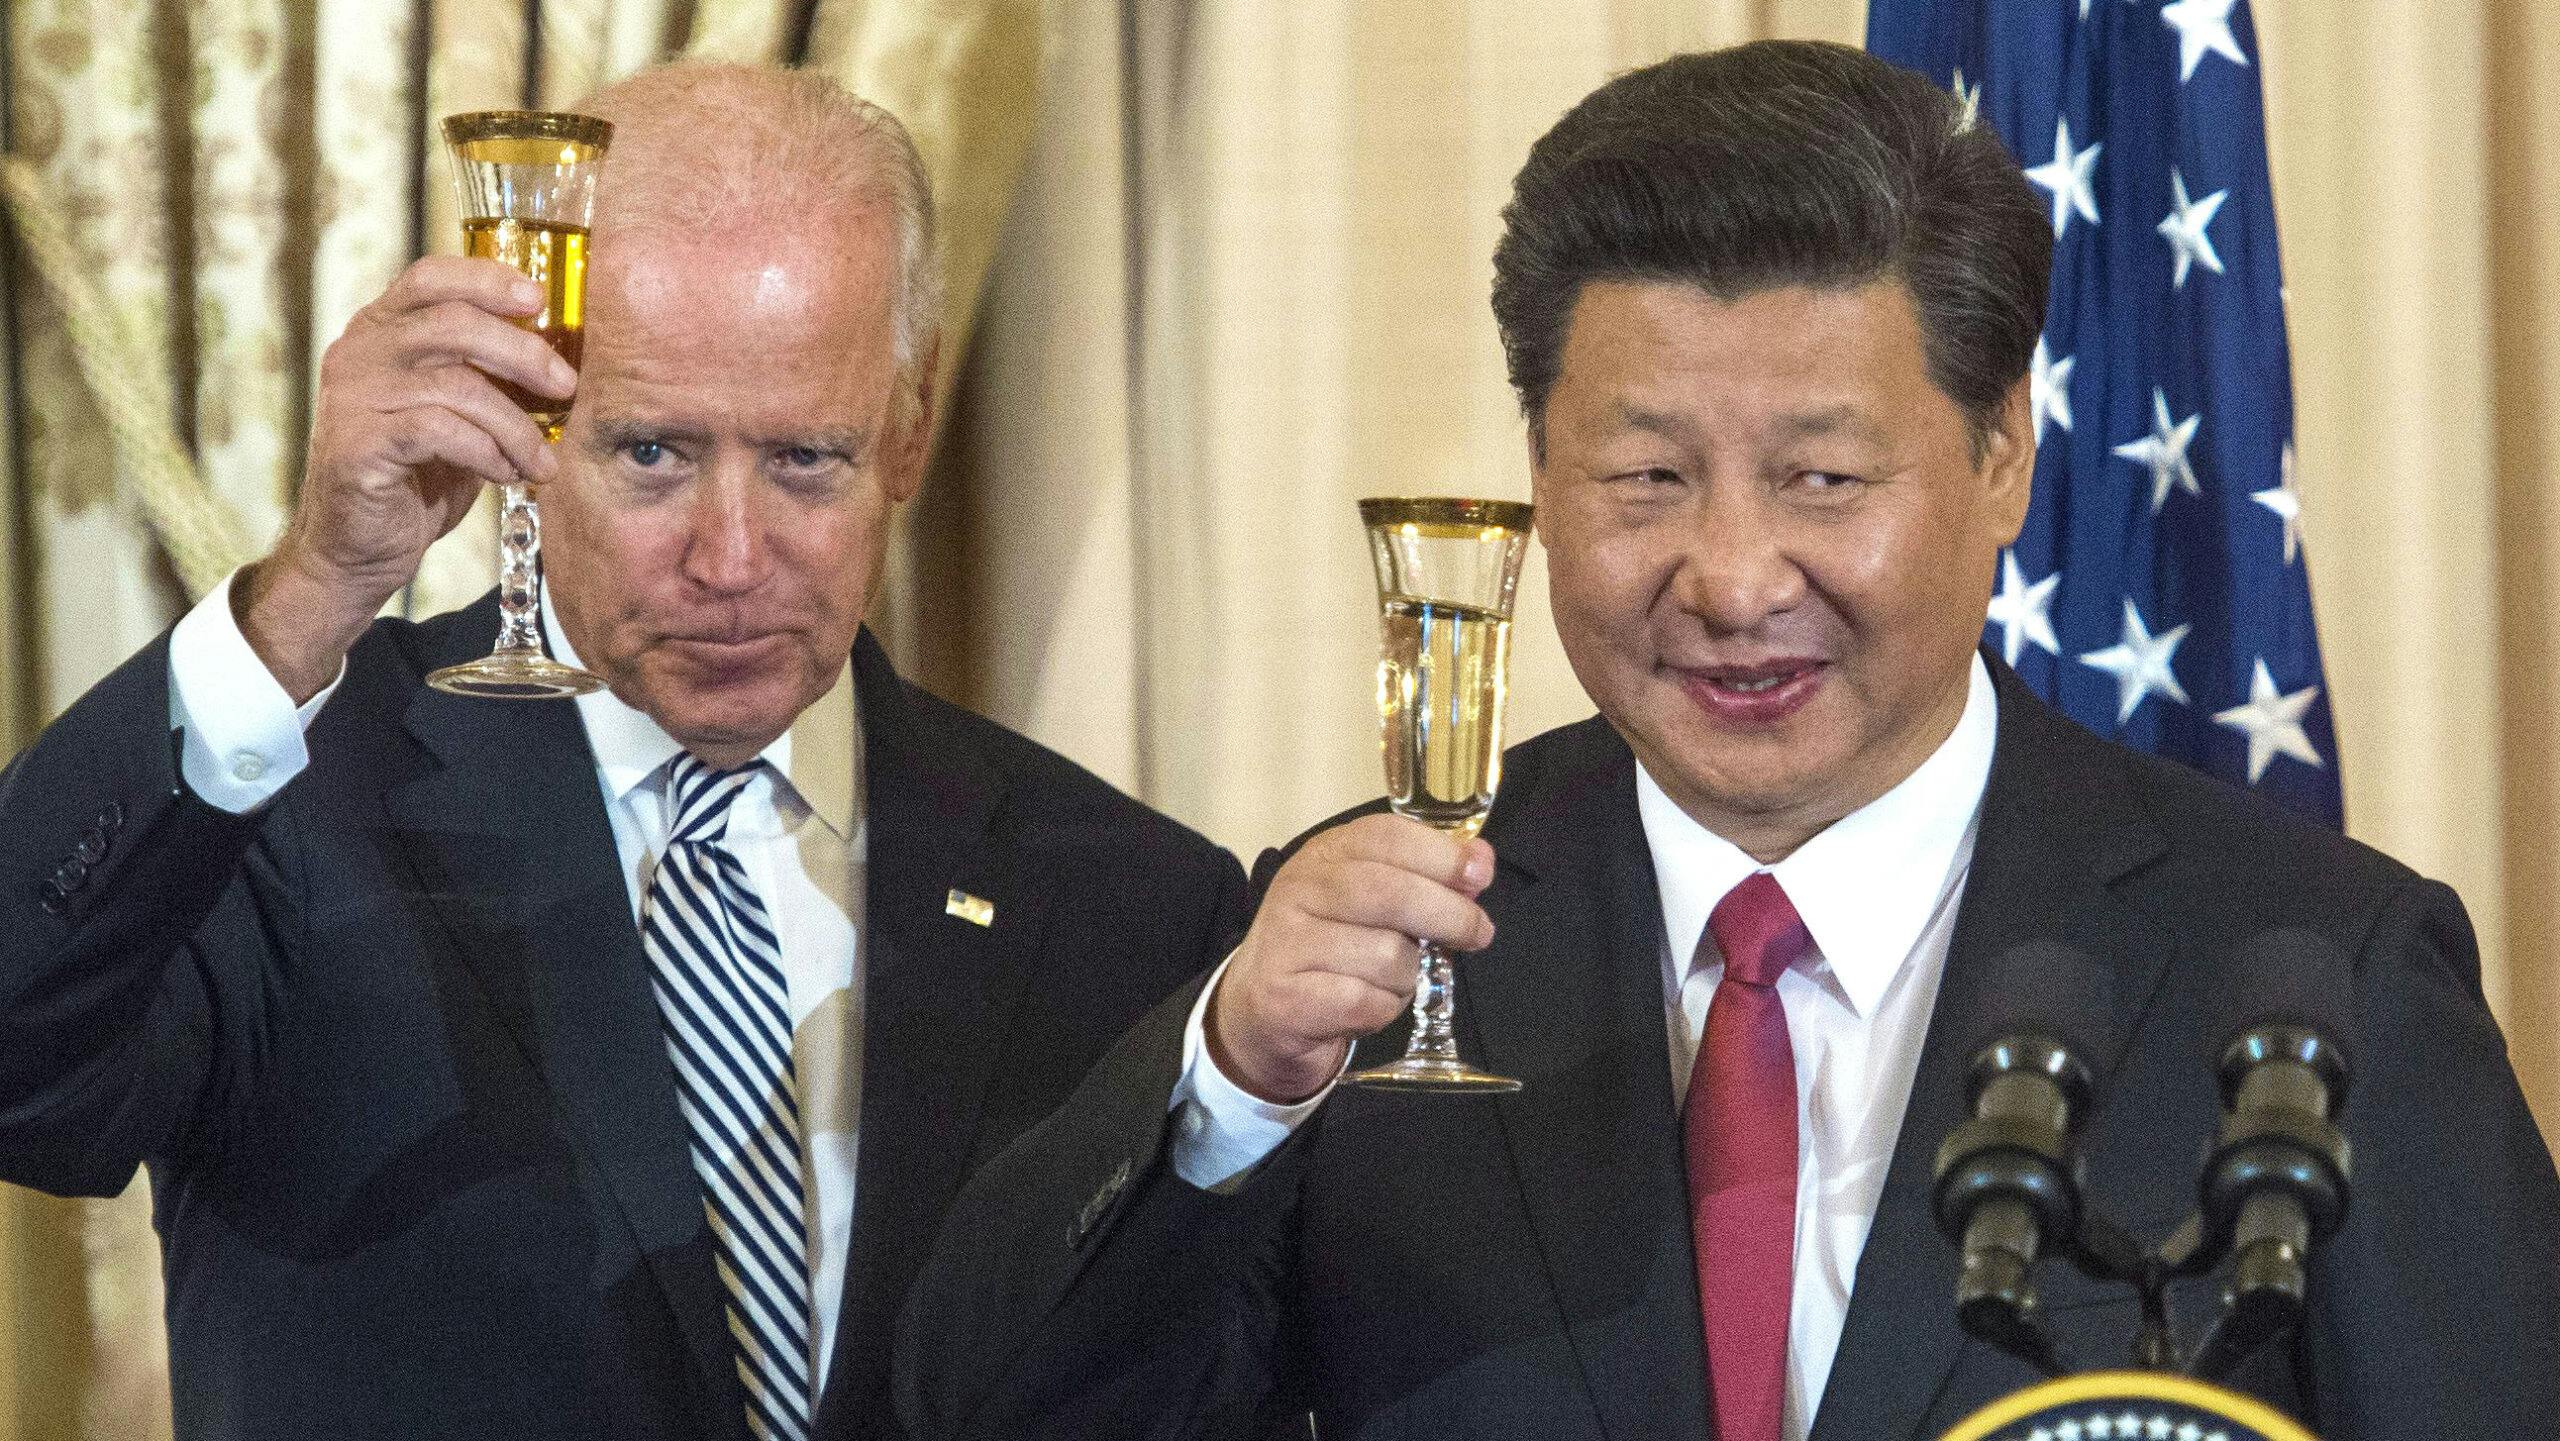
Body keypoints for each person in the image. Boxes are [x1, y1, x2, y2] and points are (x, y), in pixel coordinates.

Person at [894, 39, 2560, 1441]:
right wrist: (1227, 1088)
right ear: (1539, 475)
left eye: (1822, 478)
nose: (1734, 577)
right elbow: (996, 1413)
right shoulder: (1373, 968)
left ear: (2001, 457)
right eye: (1647, 478)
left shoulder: (2317, 973)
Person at [0, 62, 1243, 1441]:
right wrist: (307, 594)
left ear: (908, 424)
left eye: (806, 460)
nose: (731, 557)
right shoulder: (284, 806)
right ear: (521, 424)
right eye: (653, 452)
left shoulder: (1136, 904)